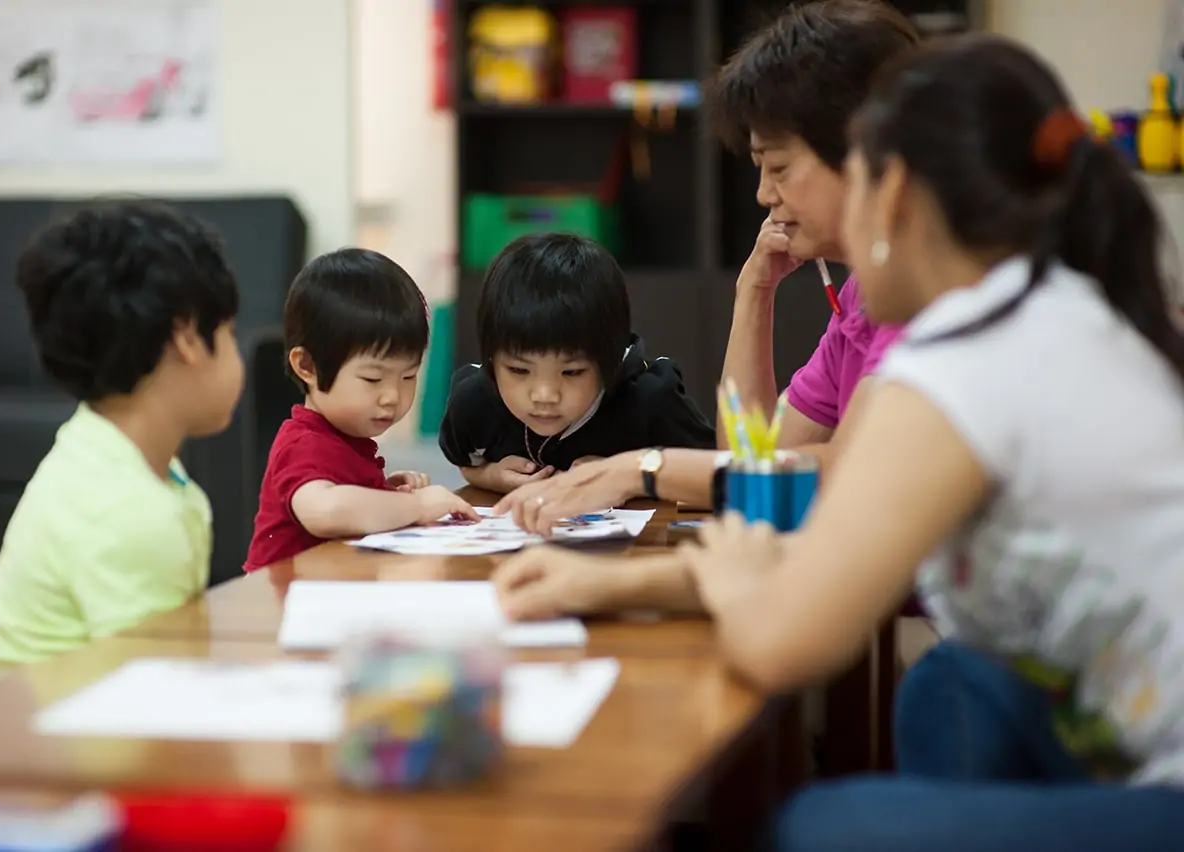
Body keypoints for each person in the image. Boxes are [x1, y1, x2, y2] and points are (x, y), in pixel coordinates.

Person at [681, 34, 1184, 847]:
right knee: (952, 682)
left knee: (821, 825)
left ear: (895, 195)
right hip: (1113, 726)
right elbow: (778, 467)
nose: (769, 199)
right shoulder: (1048, 306)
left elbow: (782, 640)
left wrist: (735, 588)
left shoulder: (960, 358)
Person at [490, 0, 917, 536]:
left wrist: (642, 469)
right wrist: (754, 292)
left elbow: (844, 475)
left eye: (779, 168)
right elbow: (754, 464)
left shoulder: (927, 298)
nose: (765, 195)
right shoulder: (860, 299)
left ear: (869, 150)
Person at [0, 202, 244, 674]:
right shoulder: (128, 512)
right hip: (58, 741)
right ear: (186, 337)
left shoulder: (101, 448)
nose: (235, 352)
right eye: (228, 332)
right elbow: (156, 700)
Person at [244, 250, 475, 571]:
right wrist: (414, 505)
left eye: (408, 376)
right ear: (307, 366)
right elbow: (325, 511)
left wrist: (381, 492)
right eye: (373, 378)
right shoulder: (304, 443)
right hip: (279, 604)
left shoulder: (347, 438)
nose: (392, 396)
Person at [439, 233, 715, 494]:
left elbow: (719, 478)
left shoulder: (651, 400)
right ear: (491, 359)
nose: (544, 395)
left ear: (608, 360)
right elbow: (468, 464)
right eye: (519, 370)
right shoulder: (474, 401)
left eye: (571, 372)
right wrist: (493, 477)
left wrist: (628, 478)